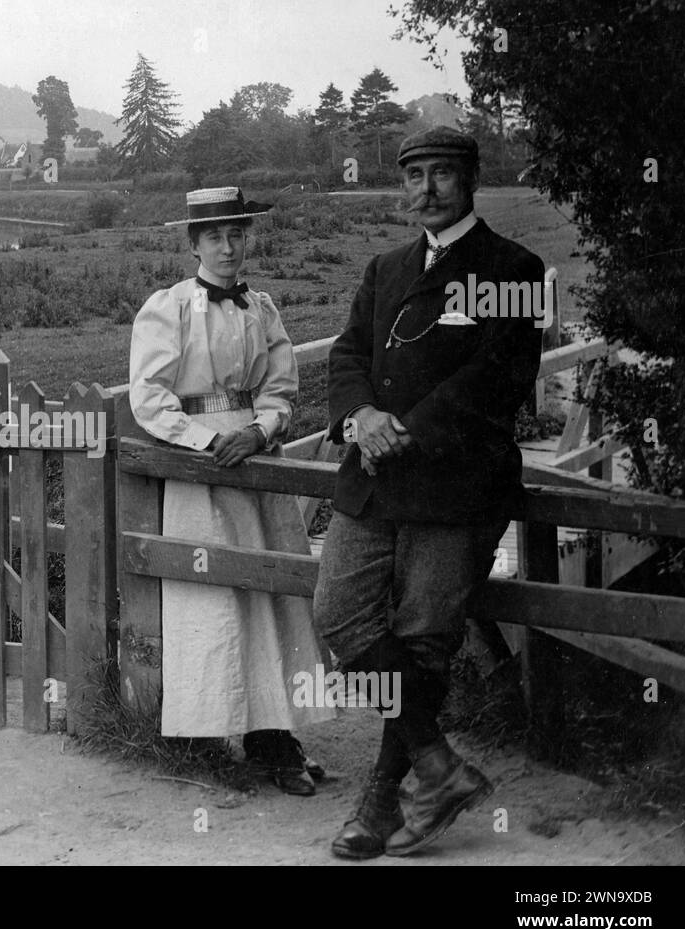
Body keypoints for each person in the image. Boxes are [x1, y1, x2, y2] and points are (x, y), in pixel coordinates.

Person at [315, 127, 544, 857]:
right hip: (374, 482)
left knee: (422, 643)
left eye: (443, 174)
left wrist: (407, 427)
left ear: (470, 179)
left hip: (457, 486)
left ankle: (381, 803)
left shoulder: (514, 267)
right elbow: (348, 353)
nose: (428, 189)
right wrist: (362, 415)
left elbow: (498, 378)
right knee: (340, 615)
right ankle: (439, 766)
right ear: (401, 186)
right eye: (415, 176)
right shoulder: (386, 268)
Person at [129, 186, 333, 796]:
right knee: (214, 596)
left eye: (236, 234)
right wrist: (201, 442)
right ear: (194, 244)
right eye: (214, 236)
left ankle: (276, 736)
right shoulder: (170, 309)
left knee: (271, 593)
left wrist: (260, 429)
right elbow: (149, 396)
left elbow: (281, 388)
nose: (227, 246)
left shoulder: (261, 308)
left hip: (254, 459)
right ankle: (206, 738)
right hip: (203, 468)